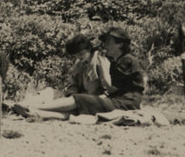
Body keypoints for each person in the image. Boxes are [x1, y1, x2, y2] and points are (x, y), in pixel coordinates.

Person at [16, 27, 144, 119]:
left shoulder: (124, 60)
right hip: (114, 100)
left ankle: (35, 108)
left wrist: (102, 63)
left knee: (78, 101)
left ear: (120, 44)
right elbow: (74, 83)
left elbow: (110, 87)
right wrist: (72, 92)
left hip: (124, 102)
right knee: (63, 98)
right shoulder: (114, 61)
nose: (105, 45)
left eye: (109, 42)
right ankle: (33, 112)